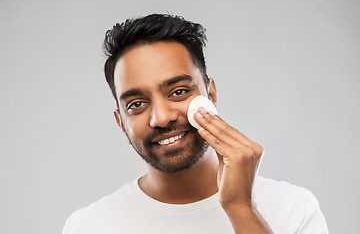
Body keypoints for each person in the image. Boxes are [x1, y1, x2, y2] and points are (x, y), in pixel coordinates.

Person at [62, 14, 328, 234]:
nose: (161, 118)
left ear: (210, 94)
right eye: (136, 104)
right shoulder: (88, 226)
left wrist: (240, 207)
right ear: (121, 122)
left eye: (178, 92)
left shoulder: (294, 208)